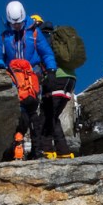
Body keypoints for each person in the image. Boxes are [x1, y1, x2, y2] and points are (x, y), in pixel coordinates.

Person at [0, 1, 57, 159]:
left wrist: (51, 70)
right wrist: (0, 68)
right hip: (13, 79)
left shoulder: (34, 33)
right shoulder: (4, 37)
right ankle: (15, 149)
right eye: (13, 24)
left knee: (33, 112)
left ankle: (36, 150)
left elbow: (46, 53)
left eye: (19, 23)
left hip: (32, 77)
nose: (17, 26)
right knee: (18, 114)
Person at [32, 16, 77, 158]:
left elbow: (40, 59)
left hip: (55, 78)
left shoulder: (42, 39)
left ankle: (47, 150)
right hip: (70, 79)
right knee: (53, 115)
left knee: (46, 114)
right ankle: (63, 152)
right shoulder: (57, 38)